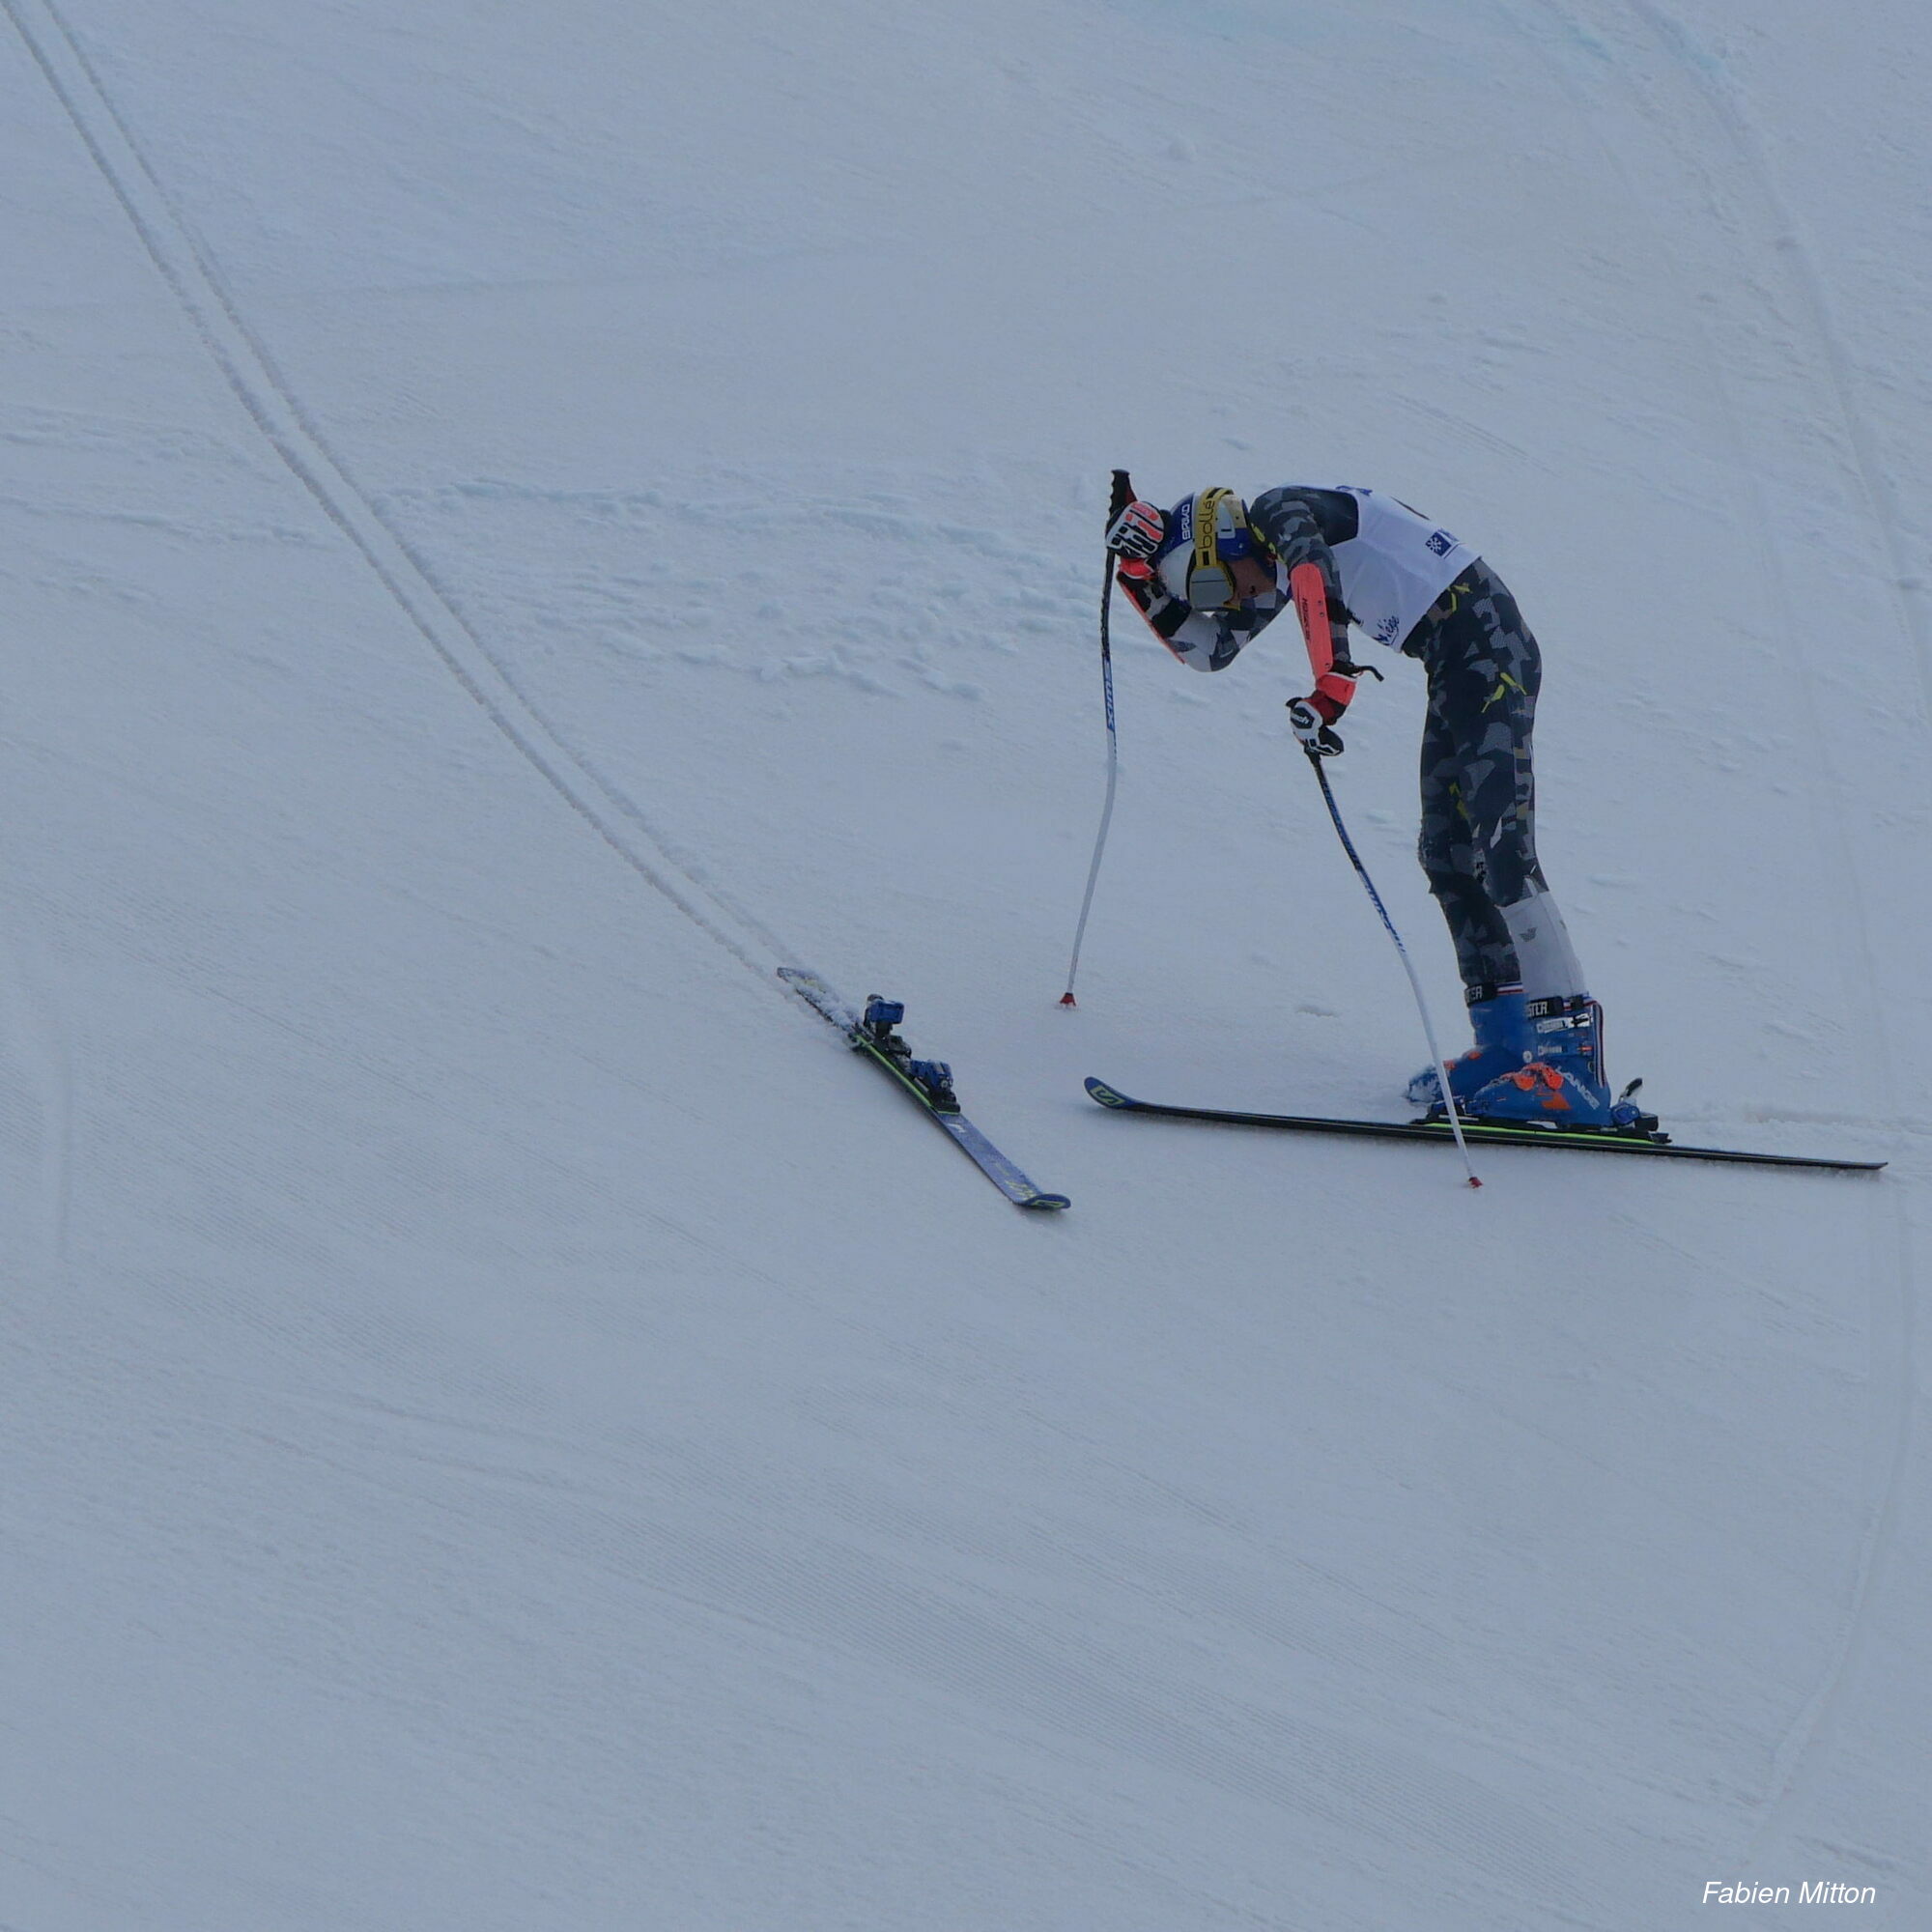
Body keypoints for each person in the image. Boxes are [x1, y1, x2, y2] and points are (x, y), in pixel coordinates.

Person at [1103, 476, 1618, 1127]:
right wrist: (1137, 574)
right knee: (1447, 855)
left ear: (1226, 543)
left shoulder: (1279, 514)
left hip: (1490, 647)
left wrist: (1332, 683)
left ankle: (1573, 1065)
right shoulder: (1268, 566)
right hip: (1455, 664)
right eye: (1204, 598)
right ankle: (1507, 1043)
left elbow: (1314, 574)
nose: (1226, 603)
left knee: (1503, 849)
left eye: (1210, 587)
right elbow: (1211, 649)